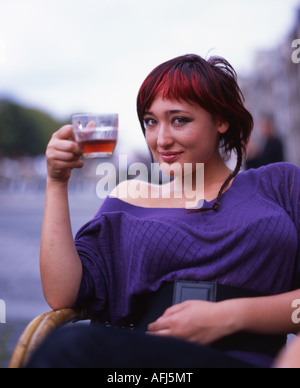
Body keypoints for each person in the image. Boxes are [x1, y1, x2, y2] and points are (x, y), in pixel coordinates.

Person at [27, 54, 300, 368]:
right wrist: (56, 182)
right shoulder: (130, 197)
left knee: (70, 346)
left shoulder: (281, 185)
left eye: (179, 119)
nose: (161, 139)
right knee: (67, 346)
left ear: (221, 120)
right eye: (151, 122)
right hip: (144, 364)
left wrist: (229, 316)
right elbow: (63, 295)